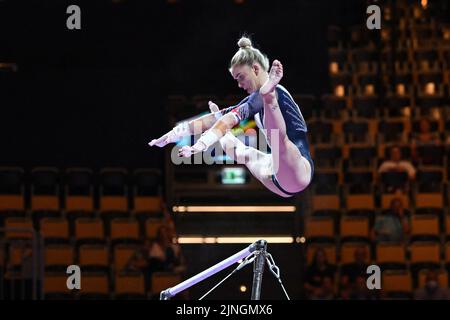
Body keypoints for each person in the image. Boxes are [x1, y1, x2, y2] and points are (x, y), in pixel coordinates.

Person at [149, 36, 314, 197]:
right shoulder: (253, 101)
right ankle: (234, 129)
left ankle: (269, 99)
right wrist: (172, 135)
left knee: (278, 141)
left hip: (298, 169)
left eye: (240, 77)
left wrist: (200, 145)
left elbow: (225, 120)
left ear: (255, 69)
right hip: (276, 176)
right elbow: (216, 119)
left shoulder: (275, 92)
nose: (239, 84)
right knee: (240, 151)